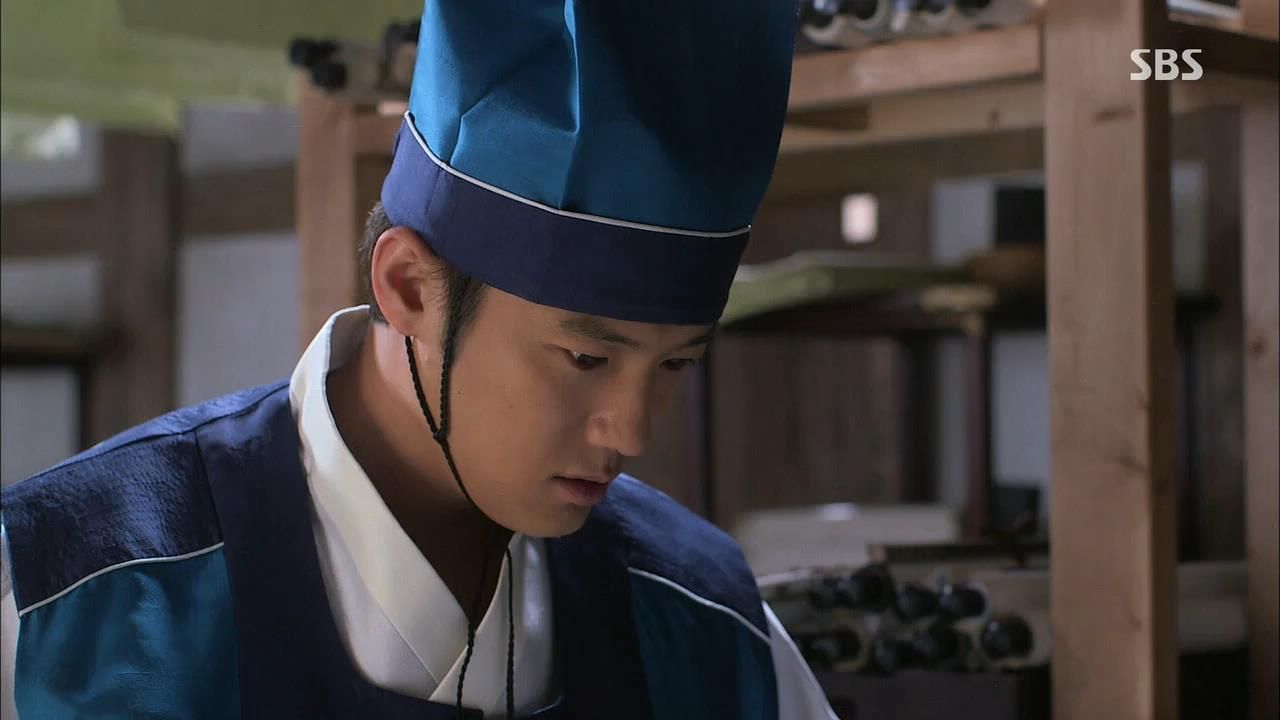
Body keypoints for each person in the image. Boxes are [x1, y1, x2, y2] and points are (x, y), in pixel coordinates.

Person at [1, 1, 840, 718]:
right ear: (408, 285)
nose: (631, 432)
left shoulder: (707, 629)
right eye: (586, 357)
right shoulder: (65, 600)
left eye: (676, 365)